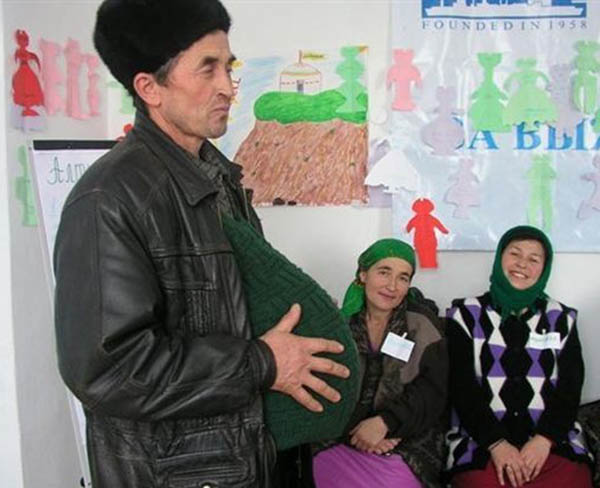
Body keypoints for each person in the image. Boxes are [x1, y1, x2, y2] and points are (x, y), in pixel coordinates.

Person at [53, 1, 350, 486]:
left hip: (237, 458)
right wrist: (264, 362)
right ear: (149, 87)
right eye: (207, 68)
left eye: (228, 66)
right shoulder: (109, 198)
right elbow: (110, 371)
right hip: (180, 473)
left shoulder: (216, 177)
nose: (228, 87)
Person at [446, 225, 594, 488]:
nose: (522, 264)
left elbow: (570, 389)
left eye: (533, 259)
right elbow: (462, 388)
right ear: (500, 257)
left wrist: (543, 440)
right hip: (481, 444)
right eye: (515, 254)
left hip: (552, 444)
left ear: (543, 269)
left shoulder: (561, 319)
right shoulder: (466, 316)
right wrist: (497, 443)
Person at [312, 239, 448, 488]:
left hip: (407, 437)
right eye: (384, 272)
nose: (392, 286)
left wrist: (386, 424)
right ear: (363, 274)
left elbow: (431, 393)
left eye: (403, 277)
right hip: (342, 436)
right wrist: (362, 432)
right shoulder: (338, 326)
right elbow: (324, 389)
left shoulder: (422, 325)